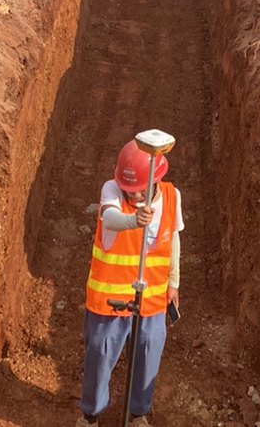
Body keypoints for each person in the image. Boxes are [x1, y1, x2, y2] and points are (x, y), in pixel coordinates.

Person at [76, 139, 184, 427]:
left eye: (138, 192)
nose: (132, 196)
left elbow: (173, 239)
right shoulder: (112, 190)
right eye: (128, 191)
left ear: (155, 182)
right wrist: (134, 219)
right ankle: (90, 415)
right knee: (100, 352)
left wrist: (173, 282)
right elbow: (110, 218)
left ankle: (138, 413)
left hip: (152, 296)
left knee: (149, 349)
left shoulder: (172, 197)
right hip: (109, 298)